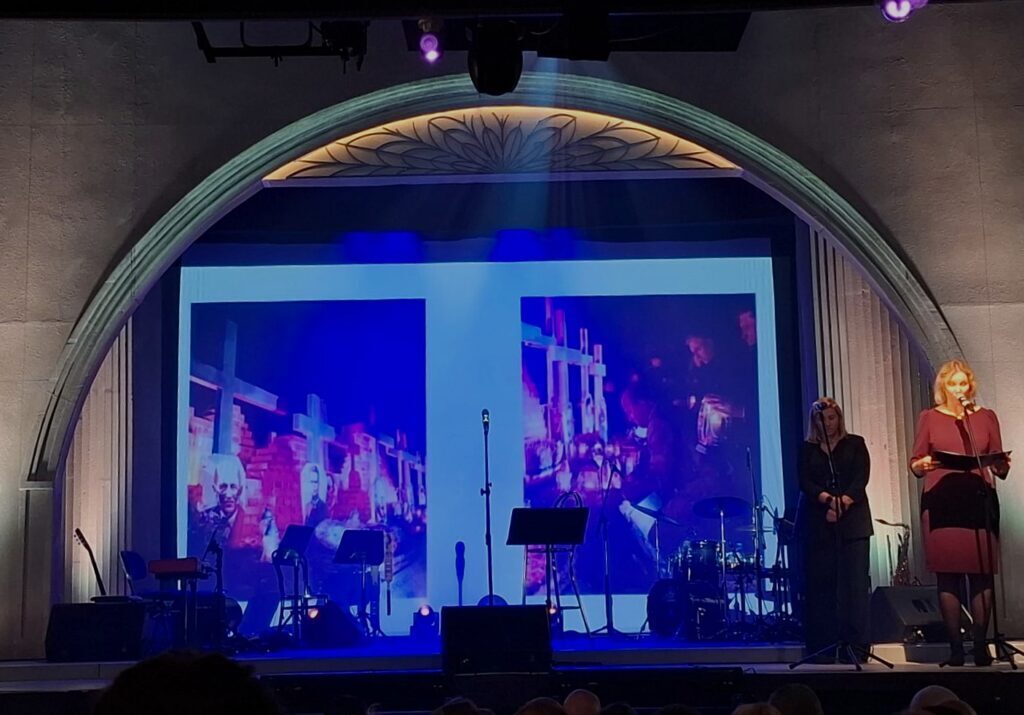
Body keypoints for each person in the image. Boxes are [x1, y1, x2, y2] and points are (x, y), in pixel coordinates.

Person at [910, 359, 1010, 667]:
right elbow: (916, 462)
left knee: (981, 574)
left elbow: (999, 464)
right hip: (943, 501)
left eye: (962, 383)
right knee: (949, 576)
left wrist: (1001, 464)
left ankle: (980, 646)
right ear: (943, 387)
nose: (958, 389)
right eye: (952, 384)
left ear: (970, 386)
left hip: (977, 500)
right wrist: (922, 464)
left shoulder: (986, 417)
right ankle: (955, 648)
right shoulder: (929, 417)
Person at [798, 397, 873, 661]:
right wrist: (829, 500)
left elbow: (861, 478)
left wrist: (843, 502)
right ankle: (823, 648)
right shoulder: (806, 449)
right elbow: (805, 482)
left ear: (839, 419)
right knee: (822, 587)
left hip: (853, 523)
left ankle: (856, 647)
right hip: (818, 524)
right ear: (814, 422)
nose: (827, 423)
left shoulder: (855, 444)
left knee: (855, 586)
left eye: (831, 418)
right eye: (822, 419)